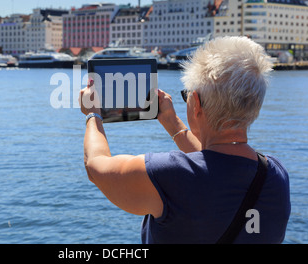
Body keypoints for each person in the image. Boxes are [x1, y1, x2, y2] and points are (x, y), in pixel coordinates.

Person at [79, 36, 291, 244]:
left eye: (186, 95)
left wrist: (92, 114)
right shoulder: (276, 176)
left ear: (196, 103)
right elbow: (217, 165)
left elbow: (96, 167)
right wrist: (172, 123)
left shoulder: (169, 176)